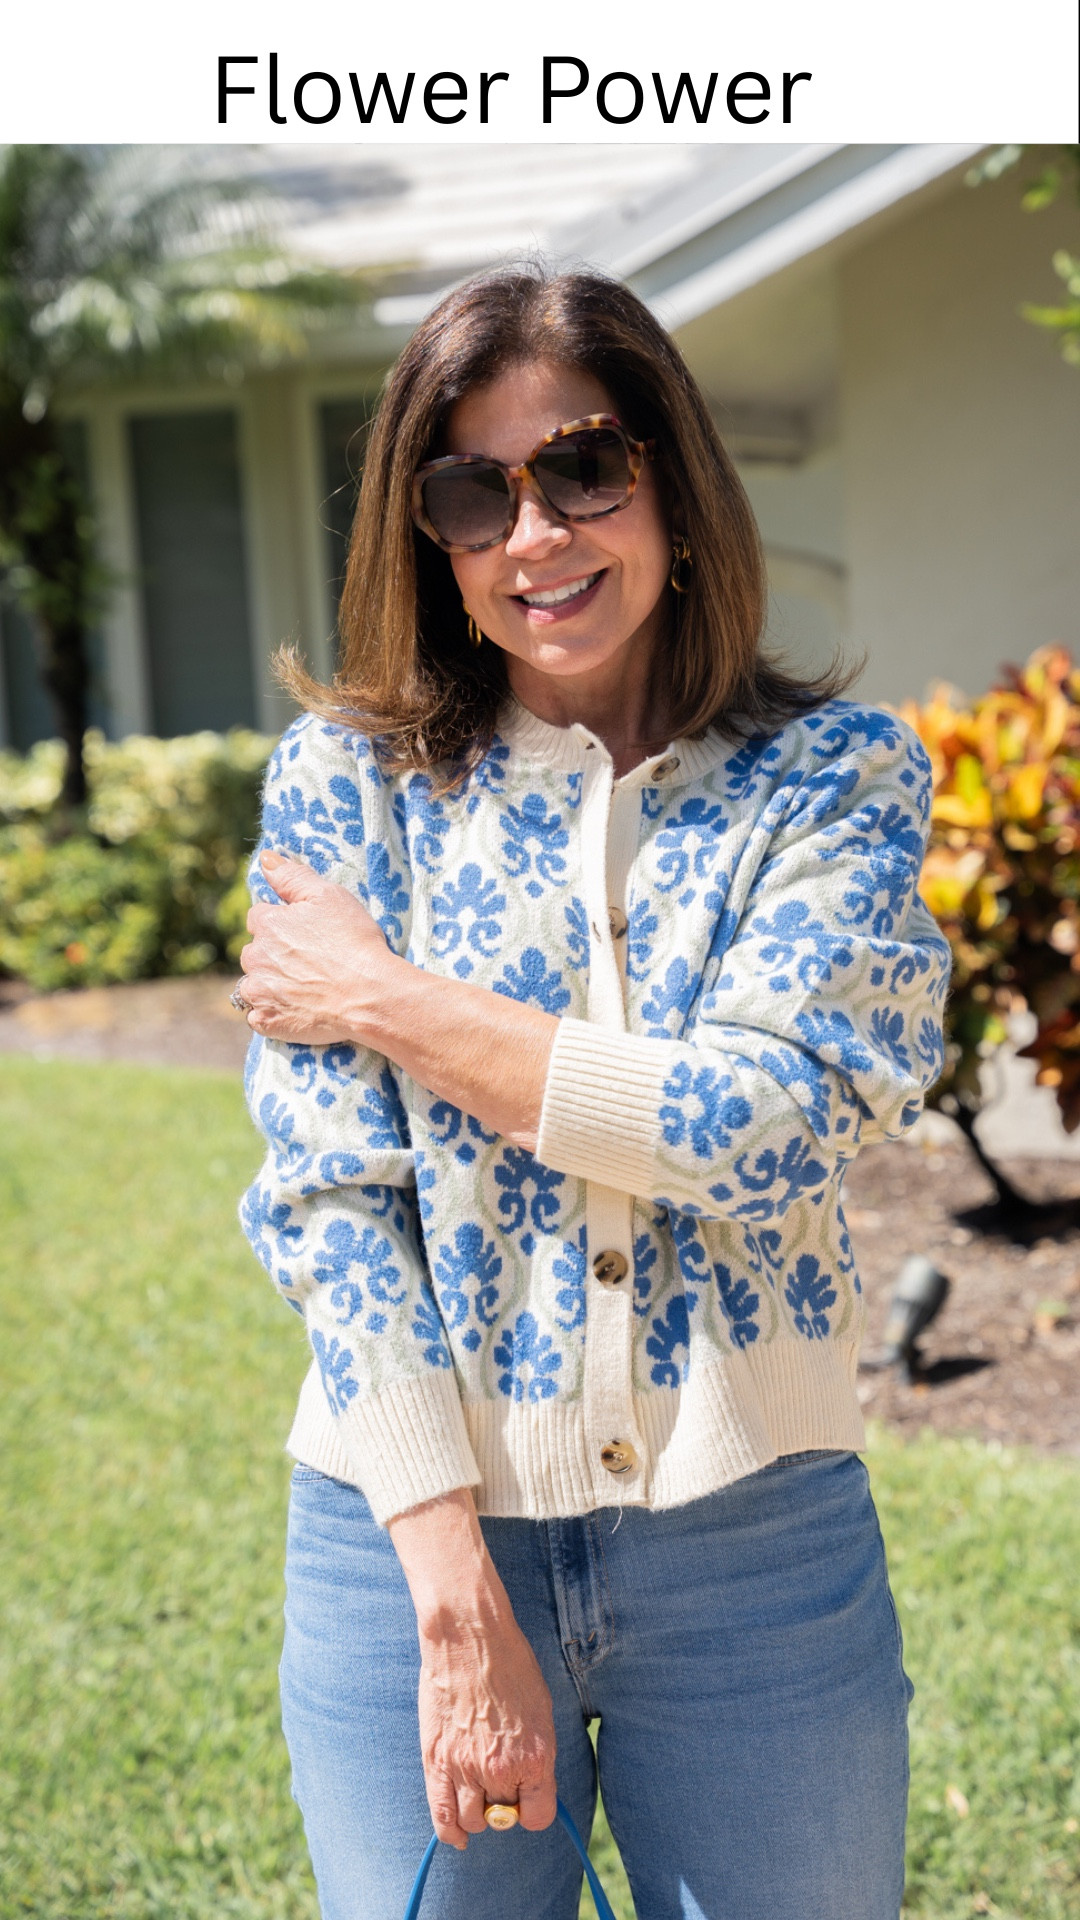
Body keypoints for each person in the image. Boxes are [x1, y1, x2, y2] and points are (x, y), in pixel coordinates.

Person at [235, 265, 950, 1920]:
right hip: (413, 1542)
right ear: (432, 539)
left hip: (755, 1549)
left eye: (581, 467)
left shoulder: (832, 780)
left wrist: (388, 998)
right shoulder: (345, 788)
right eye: (473, 492)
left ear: (675, 488)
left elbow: (768, 1125)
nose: (535, 533)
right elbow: (333, 1196)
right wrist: (448, 1596)